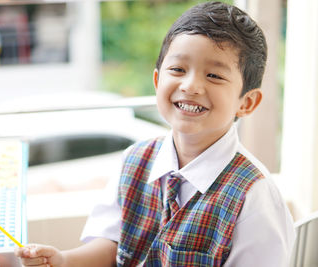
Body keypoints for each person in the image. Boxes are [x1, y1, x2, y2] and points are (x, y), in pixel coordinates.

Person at [15, 2, 295, 266]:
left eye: (214, 76)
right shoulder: (134, 160)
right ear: (157, 80)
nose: (190, 85)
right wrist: (64, 260)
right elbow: (112, 244)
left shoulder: (254, 197)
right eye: (178, 69)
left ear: (246, 102)